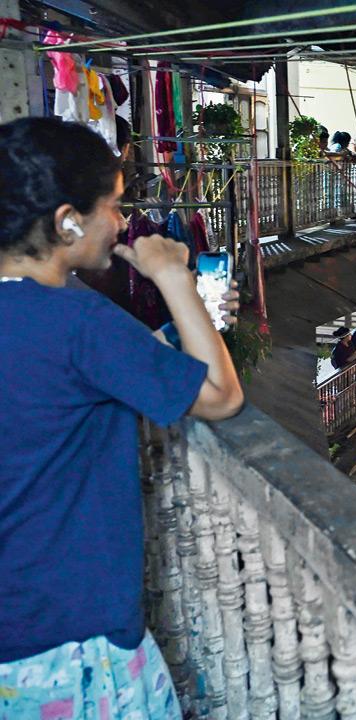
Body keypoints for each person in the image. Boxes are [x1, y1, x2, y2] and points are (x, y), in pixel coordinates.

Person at [0, 117, 245, 715]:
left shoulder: (52, 323)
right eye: (112, 206)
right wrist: (172, 276)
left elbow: (66, 380)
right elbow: (220, 395)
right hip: (72, 634)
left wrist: (178, 325)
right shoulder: (80, 323)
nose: (122, 223)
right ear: (67, 221)